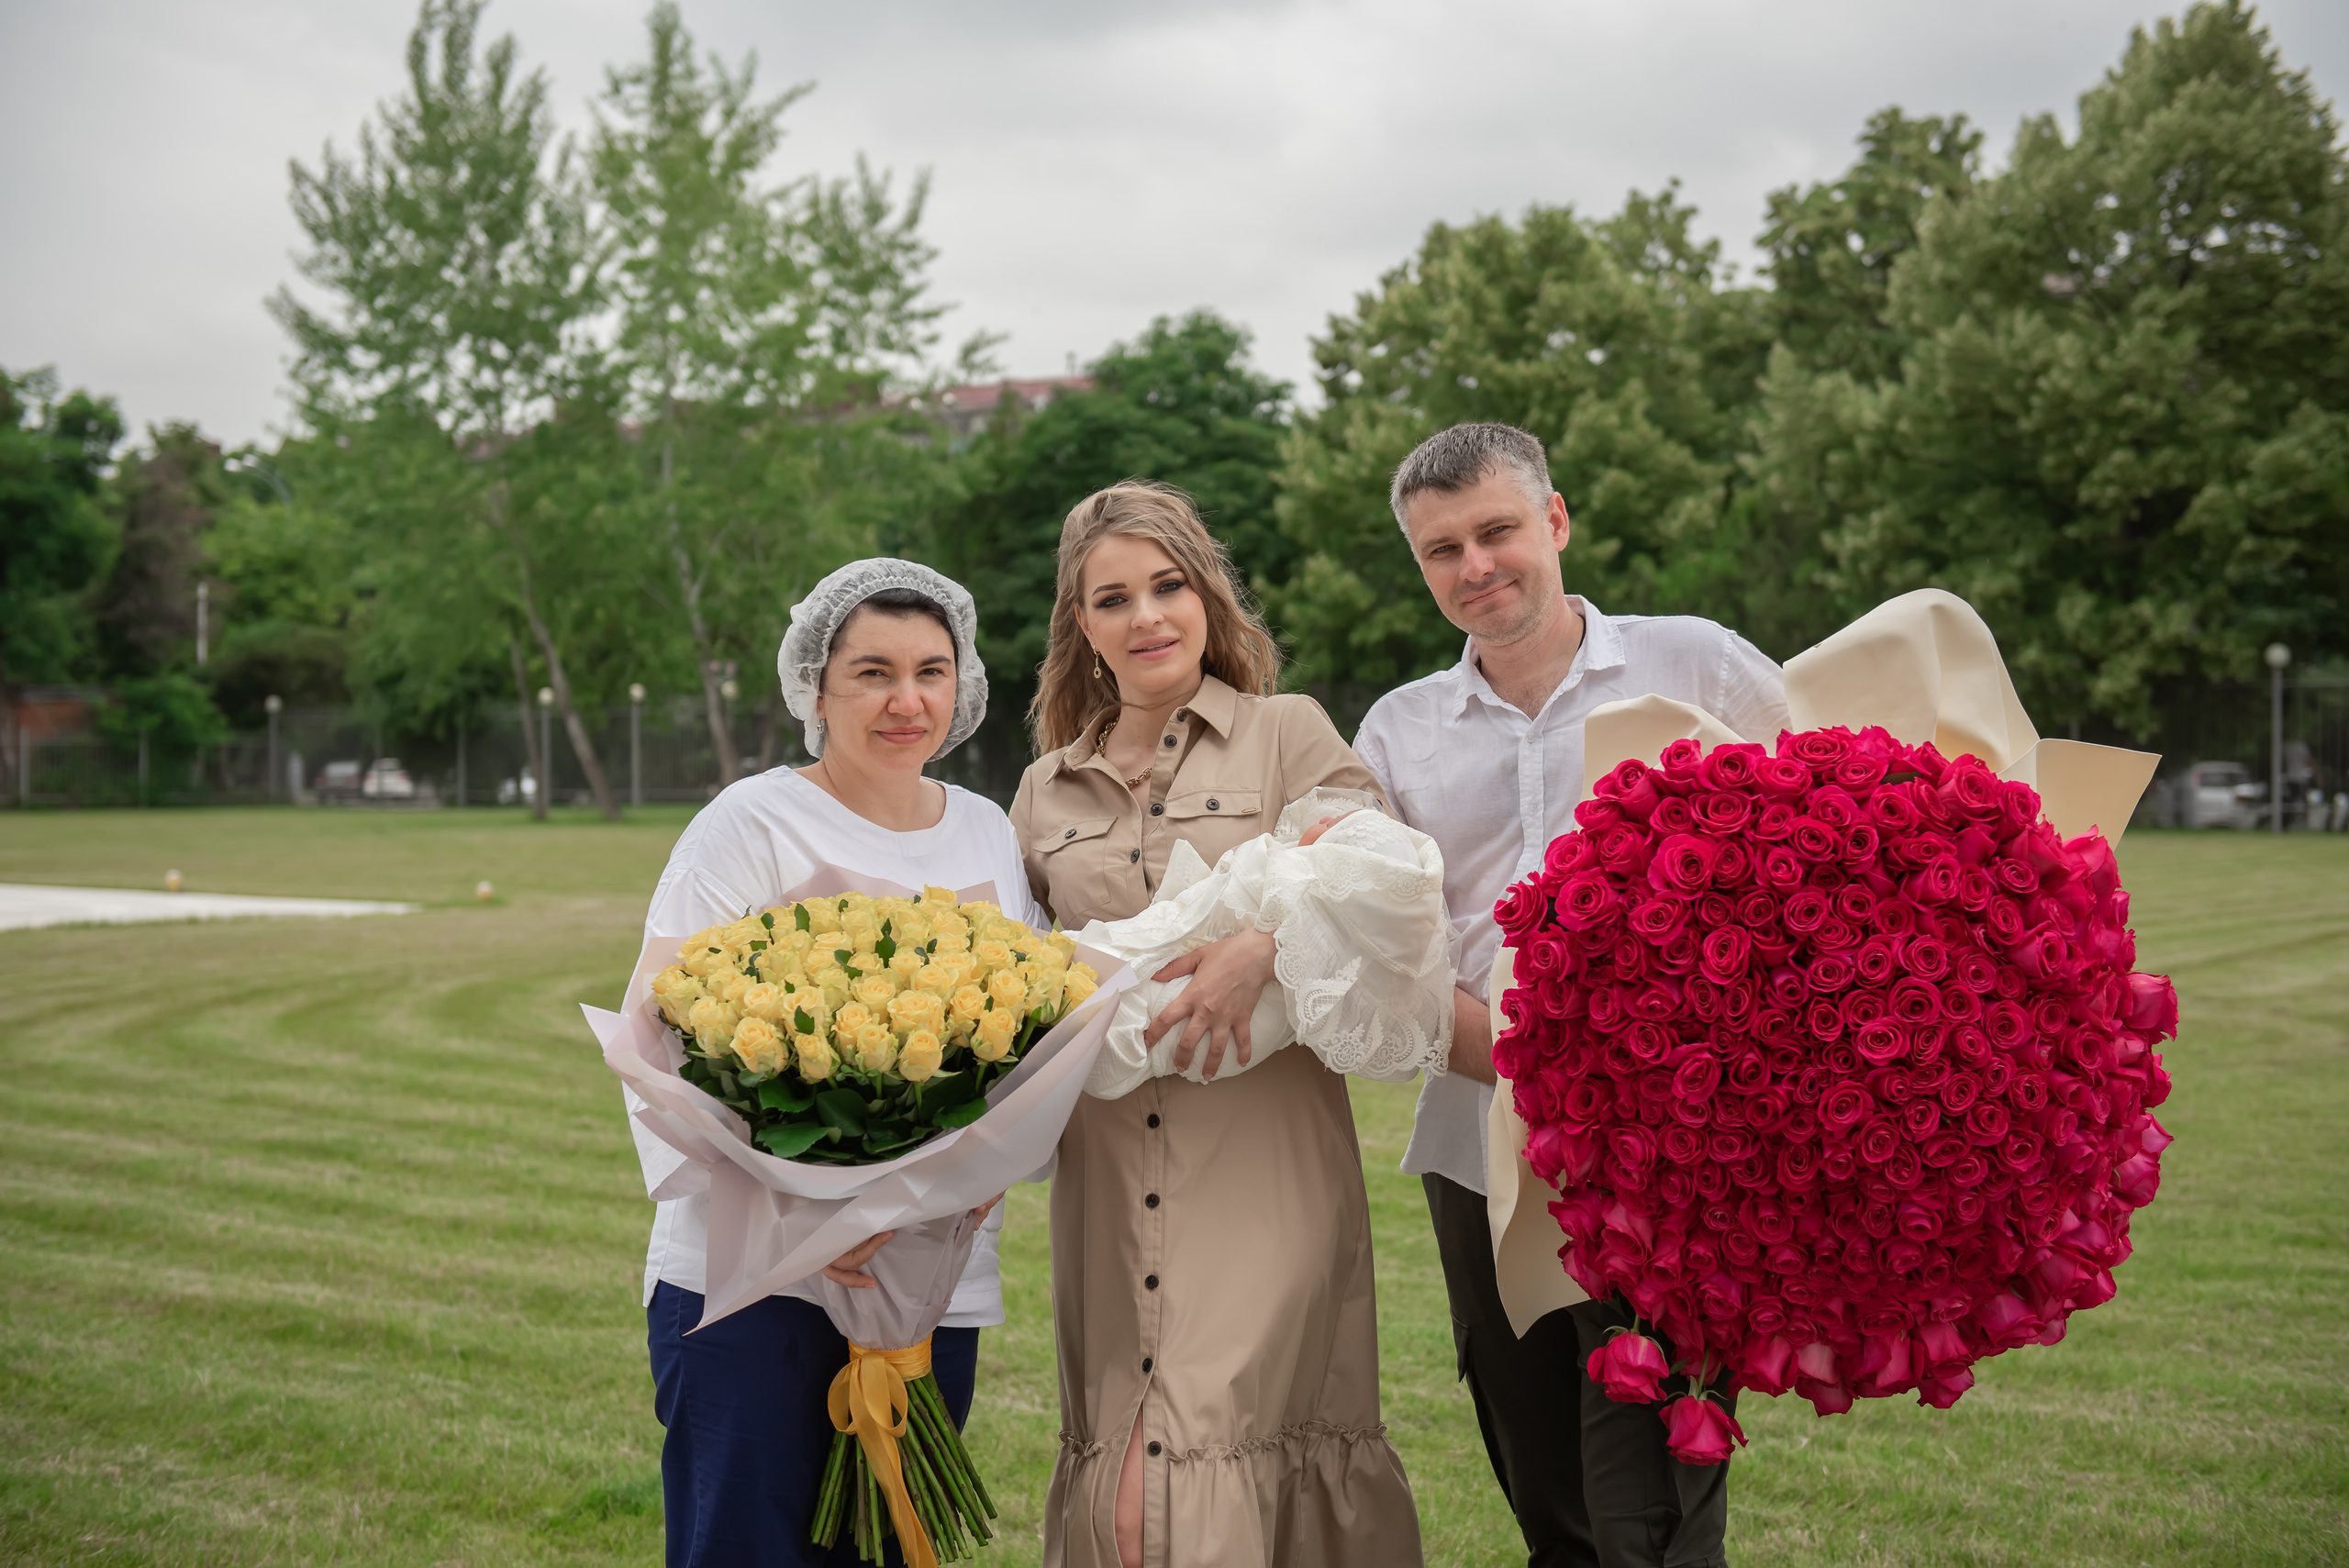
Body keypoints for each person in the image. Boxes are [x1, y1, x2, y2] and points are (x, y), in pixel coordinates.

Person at [1353, 424, 1791, 1568]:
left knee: (1652, 1505)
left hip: (1672, 1152)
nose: (1474, 566)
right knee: (1545, 1487)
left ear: (1554, 520)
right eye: (1441, 549)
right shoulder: (1396, 730)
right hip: (1476, 1136)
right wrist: (1509, 1058)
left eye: (1495, 530)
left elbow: (1825, 847)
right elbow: (1381, 949)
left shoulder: (1696, 664)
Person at [1008, 482, 1428, 1568]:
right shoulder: (1044, 790)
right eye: (1113, 598)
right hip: (1104, 1171)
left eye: (1168, 585)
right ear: (1082, 624)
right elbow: (1013, 980)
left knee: (1208, 1447)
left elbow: (1383, 883)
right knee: (1129, 1481)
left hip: (1264, 1162)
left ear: (1206, 595)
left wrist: (1265, 942)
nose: (1147, 616)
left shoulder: (1289, 733)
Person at [633, 559, 1046, 1568]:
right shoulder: (750, 822)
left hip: (929, 1287)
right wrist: (812, 1217)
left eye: (931, 671)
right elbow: (665, 1034)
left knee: (890, 1545)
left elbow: (1030, 1043)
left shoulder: (985, 828)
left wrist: (973, 1177)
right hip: (754, 1287)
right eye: (872, 672)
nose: (908, 700)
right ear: (815, 687)